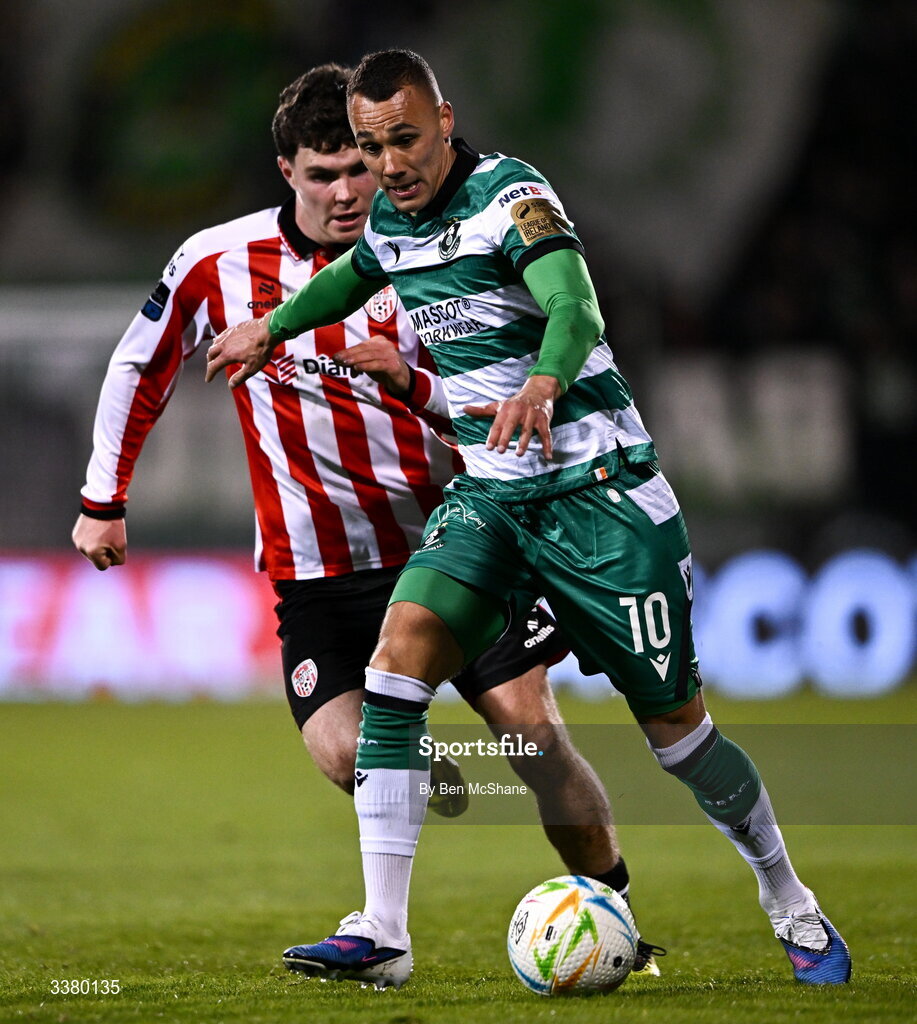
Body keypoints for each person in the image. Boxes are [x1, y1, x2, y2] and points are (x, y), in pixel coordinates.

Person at [205, 49, 853, 991]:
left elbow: (573, 303)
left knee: (679, 736)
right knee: (398, 660)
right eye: (372, 146)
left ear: (444, 121)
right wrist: (276, 324)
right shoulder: (390, 218)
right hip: (492, 496)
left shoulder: (511, 195)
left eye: (405, 140)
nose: (389, 165)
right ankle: (384, 932)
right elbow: (352, 276)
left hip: (600, 496)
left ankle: (788, 900)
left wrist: (545, 377)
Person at [73, 63, 664, 978]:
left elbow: (487, 403)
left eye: (362, 166)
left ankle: (614, 909)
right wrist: (102, 501)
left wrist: (410, 381)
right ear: (287, 172)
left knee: (535, 744)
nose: (351, 190)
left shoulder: (428, 247)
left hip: (451, 543)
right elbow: (136, 367)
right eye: (325, 174)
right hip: (317, 575)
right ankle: (396, 856)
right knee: (347, 753)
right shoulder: (212, 262)